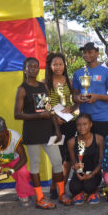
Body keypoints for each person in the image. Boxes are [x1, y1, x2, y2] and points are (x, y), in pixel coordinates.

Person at [14, 57, 69, 209]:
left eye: (35, 66)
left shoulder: (43, 86)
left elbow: (49, 110)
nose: (33, 69)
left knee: (57, 161)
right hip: (32, 133)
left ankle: (61, 193)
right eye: (29, 66)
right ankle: (39, 198)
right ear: (24, 69)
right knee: (36, 165)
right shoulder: (22, 89)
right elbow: (17, 114)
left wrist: (57, 129)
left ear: (39, 69)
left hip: (48, 131)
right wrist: (39, 116)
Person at [44, 52, 79, 200]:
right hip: (54, 125)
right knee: (57, 159)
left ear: (64, 65)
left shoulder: (70, 82)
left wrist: (71, 110)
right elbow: (44, 105)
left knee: (68, 159)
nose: (58, 67)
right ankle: (53, 186)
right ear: (50, 66)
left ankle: (62, 187)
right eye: (55, 64)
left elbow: (77, 101)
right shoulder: (45, 83)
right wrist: (55, 117)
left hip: (70, 123)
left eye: (60, 64)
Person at [72, 42, 108, 137]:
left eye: (89, 52)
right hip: (84, 120)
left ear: (97, 53)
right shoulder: (78, 73)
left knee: (104, 150)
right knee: (85, 150)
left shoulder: (106, 72)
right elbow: (74, 97)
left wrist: (97, 97)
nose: (86, 55)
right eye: (84, 52)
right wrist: (78, 98)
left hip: (102, 118)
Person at [67, 113, 104, 205]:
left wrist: (92, 174)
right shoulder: (71, 142)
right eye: (79, 125)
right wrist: (76, 170)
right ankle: (82, 193)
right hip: (79, 173)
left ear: (90, 124)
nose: (81, 127)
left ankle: (92, 191)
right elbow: (73, 163)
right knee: (73, 188)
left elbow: (102, 161)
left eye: (85, 124)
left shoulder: (99, 139)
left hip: (94, 173)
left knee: (89, 186)